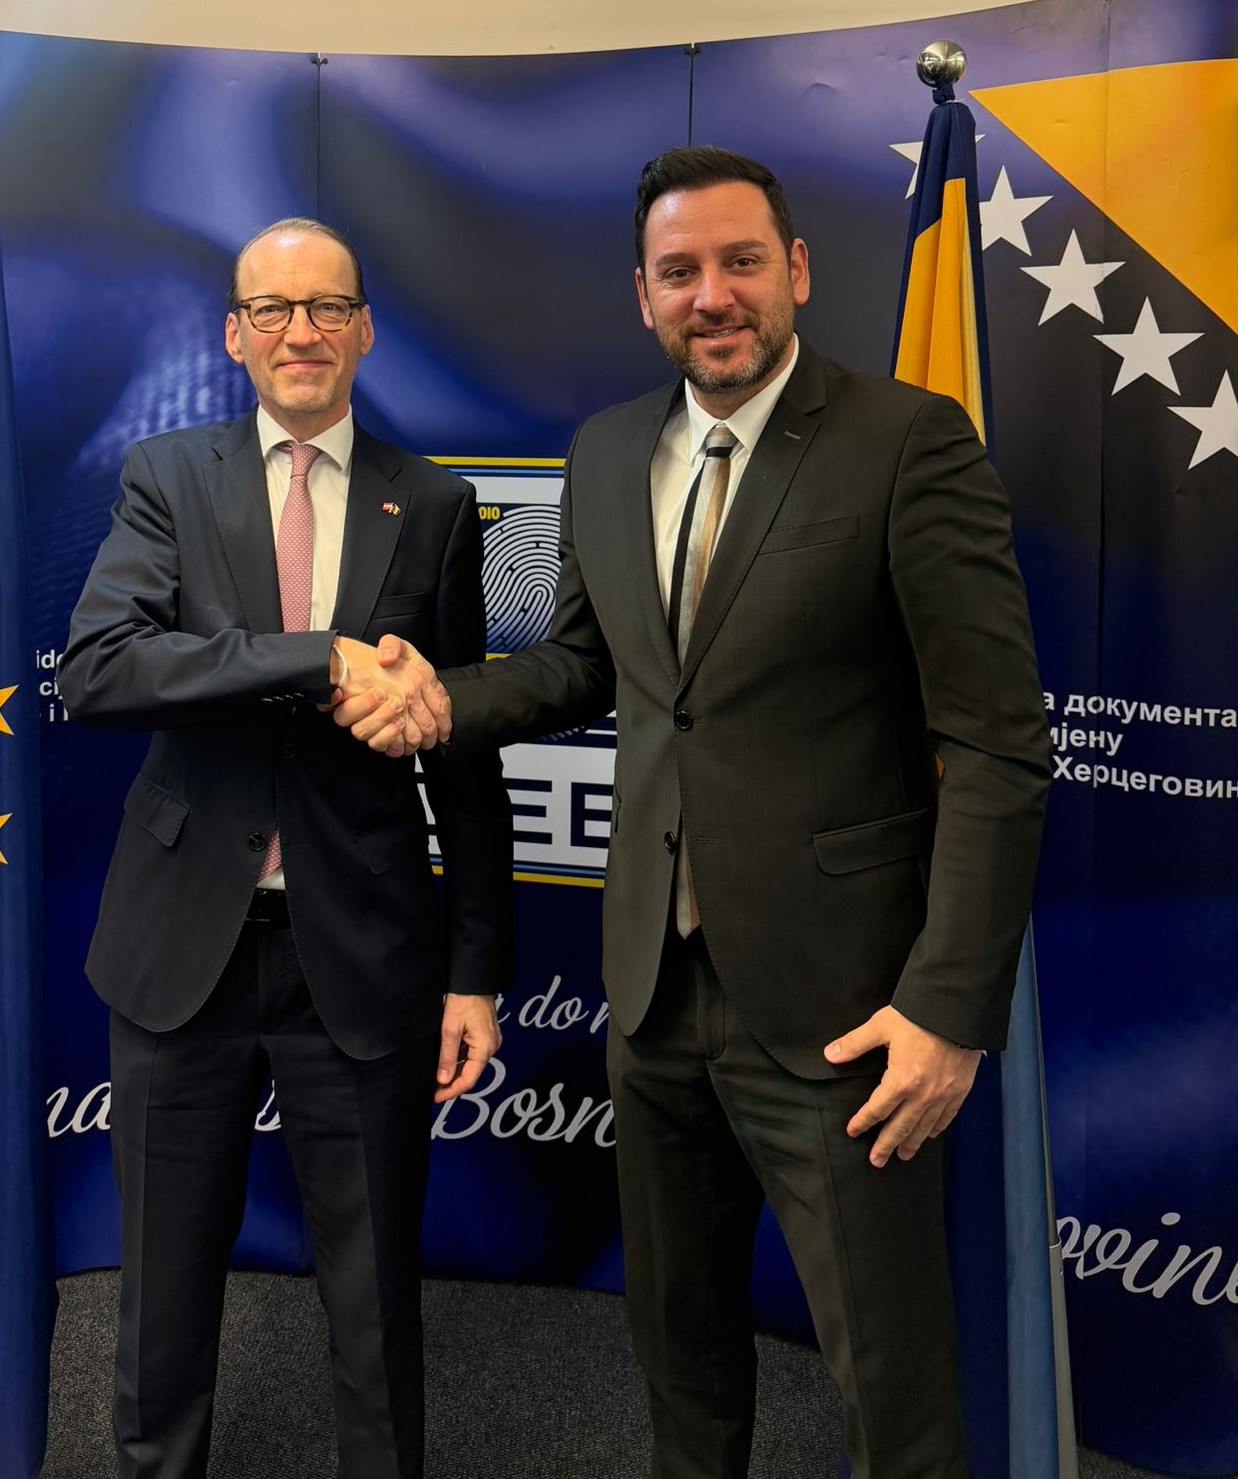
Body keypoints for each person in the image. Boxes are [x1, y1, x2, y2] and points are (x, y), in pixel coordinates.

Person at [337, 147, 1050, 1476]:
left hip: (846, 1008)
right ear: (642, 294)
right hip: (652, 997)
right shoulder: (610, 450)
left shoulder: (906, 442)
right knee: (680, 1351)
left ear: (796, 270)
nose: (710, 295)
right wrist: (440, 698)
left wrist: (949, 1006)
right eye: (679, 272)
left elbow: (997, 745)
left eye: (738, 262)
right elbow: (582, 666)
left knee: (890, 1381)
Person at [59, 217, 512, 1479]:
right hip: (180, 949)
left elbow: (461, 750)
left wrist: (474, 972)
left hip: (360, 953)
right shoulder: (166, 473)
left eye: (325, 308)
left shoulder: (434, 504)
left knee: (373, 1304)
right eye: (271, 309)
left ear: (363, 330)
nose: (298, 332)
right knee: (159, 1299)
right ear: (233, 335)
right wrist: (316, 660)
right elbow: (101, 670)